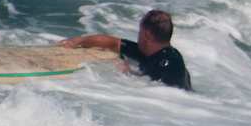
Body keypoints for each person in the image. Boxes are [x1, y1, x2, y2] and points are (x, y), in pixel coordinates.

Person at [60, 9, 193, 91]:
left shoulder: (168, 64)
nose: (138, 35)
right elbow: (112, 42)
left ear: (147, 35)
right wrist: (77, 41)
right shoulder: (148, 52)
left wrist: (127, 73)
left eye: (140, 31)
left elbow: (152, 92)